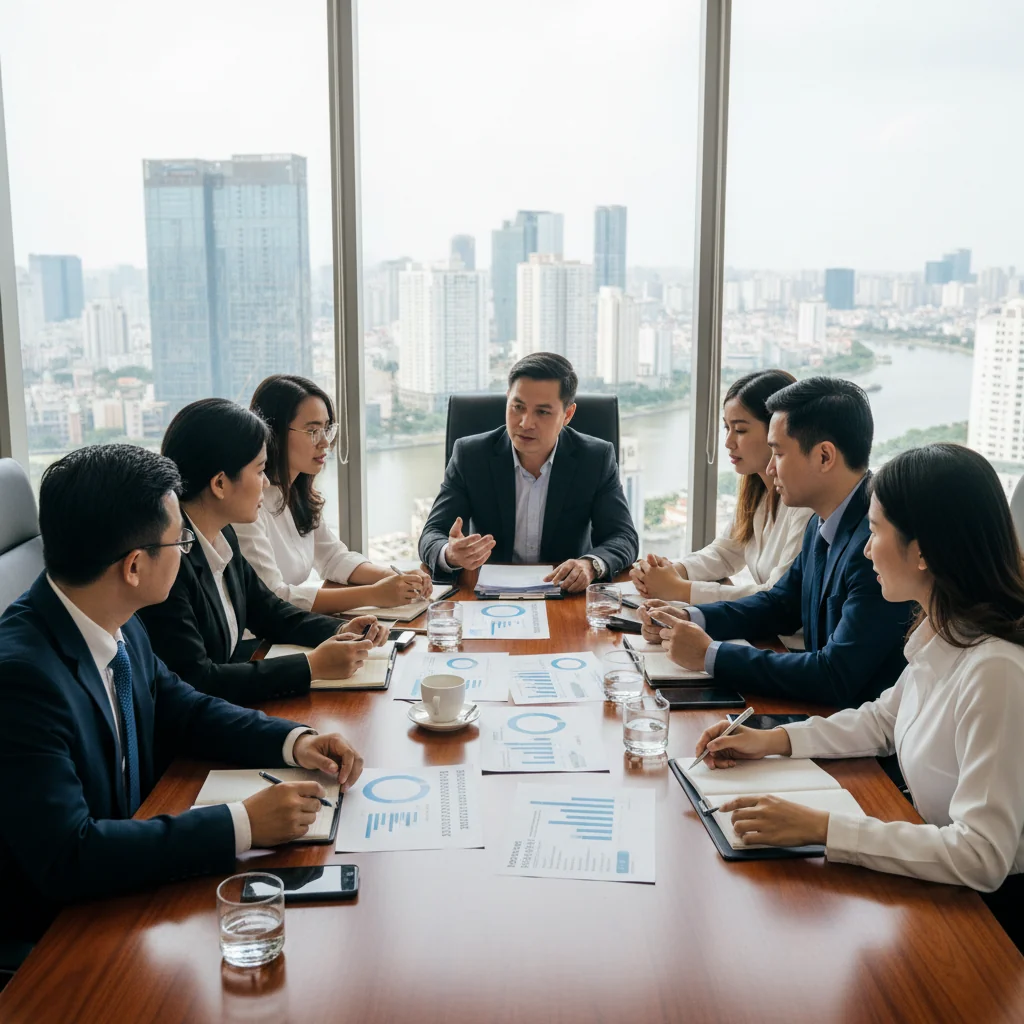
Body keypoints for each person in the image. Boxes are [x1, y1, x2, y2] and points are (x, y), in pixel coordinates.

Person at [0, 444, 366, 943]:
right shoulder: (22, 680)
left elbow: (185, 709)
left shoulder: (112, 618)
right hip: (62, 933)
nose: (188, 551)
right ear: (134, 566)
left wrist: (295, 741)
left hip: (133, 880)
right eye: (180, 542)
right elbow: (70, 855)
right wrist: (242, 824)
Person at [693, 444, 1024, 951]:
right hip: (936, 884)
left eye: (875, 531)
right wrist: (770, 739)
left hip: (989, 926)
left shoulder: (995, 669)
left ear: (923, 552)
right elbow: (881, 721)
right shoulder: (947, 631)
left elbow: (981, 854)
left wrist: (823, 828)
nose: (866, 550)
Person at [640, 376, 913, 707]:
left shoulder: (874, 548)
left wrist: (710, 655)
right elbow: (780, 605)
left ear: (824, 456)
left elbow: (834, 675)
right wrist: (691, 618)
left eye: (779, 453)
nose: (770, 468)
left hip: (856, 728)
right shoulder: (822, 522)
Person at [138, 399, 388, 704]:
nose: (267, 482)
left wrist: (341, 628)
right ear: (219, 484)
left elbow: (269, 612)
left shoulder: (222, 534)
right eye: (259, 471)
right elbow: (199, 680)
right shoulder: (169, 561)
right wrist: (311, 666)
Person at [418, 352, 639, 592]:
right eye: (518, 407)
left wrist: (590, 565)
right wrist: (450, 554)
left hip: (565, 593)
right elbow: (432, 534)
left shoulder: (595, 458)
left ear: (567, 414)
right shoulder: (471, 456)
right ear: (507, 400)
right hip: (488, 593)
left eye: (542, 412)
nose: (525, 423)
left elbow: (623, 536)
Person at [233, 374, 431, 614]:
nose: (325, 443)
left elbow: (333, 557)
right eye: (312, 431)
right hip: (264, 632)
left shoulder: (298, 493)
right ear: (273, 432)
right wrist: (375, 594)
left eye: (327, 429)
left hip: (292, 624)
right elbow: (275, 597)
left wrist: (396, 577)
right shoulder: (248, 506)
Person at [631, 369, 812, 605]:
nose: (728, 442)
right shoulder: (757, 490)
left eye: (740, 430)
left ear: (777, 429)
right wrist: (672, 572)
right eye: (727, 428)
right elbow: (725, 552)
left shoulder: (805, 504)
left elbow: (777, 597)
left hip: (780, 628)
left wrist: (680, 589)